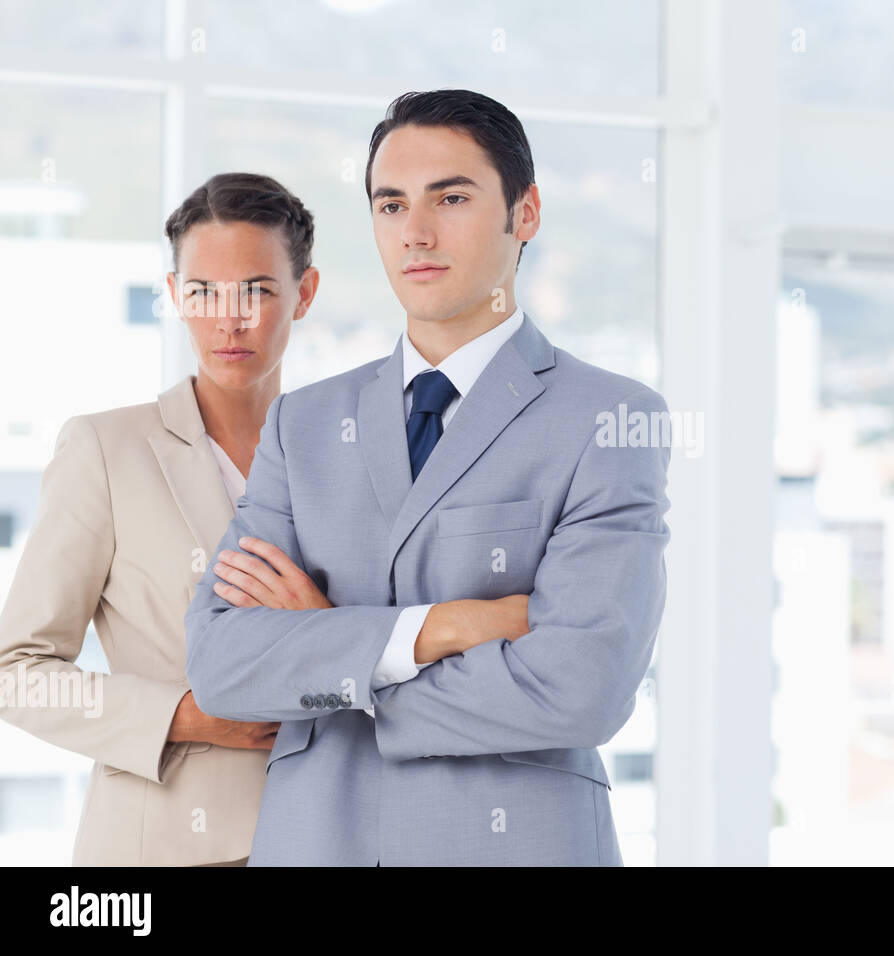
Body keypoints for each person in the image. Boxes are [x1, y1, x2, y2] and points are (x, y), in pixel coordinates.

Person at [185, 89, 672, 866]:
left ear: (526, 212)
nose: (415, 232)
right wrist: (437, 628)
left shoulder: (608, 420)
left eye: (451, 197)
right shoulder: (304, 423)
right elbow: (223, 665)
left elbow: (583, 687)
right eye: (390, 204)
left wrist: (333, 649)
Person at [0, 171, 527, 866]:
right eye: (203, 292)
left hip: (332, 834)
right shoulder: (105, 450)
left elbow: (400, 644)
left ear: (304, 294)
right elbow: (17, 670)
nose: (229, 319)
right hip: (157, 850)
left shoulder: (362, 447)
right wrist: (188, 718)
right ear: (173, 297)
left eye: (257, 289)